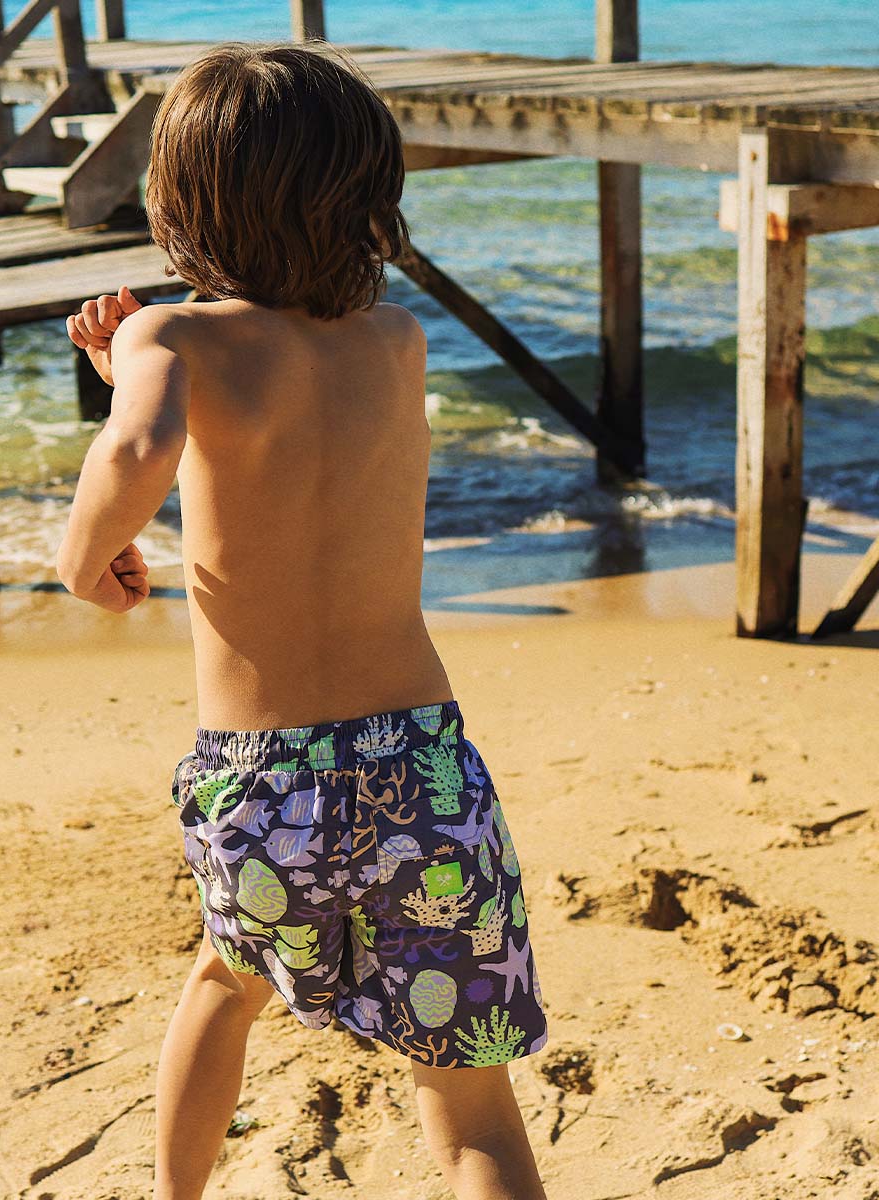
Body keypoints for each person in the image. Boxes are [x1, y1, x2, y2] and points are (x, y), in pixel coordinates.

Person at [57, 41, 549, 1200]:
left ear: (181, 202)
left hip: (270, 780)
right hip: (423, 771)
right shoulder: (398, 342)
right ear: (369, 195)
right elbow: (303, 452)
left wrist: (87, 559)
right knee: (471, 1098)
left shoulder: (169, 337)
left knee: (225, 986)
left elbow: (144, 444)